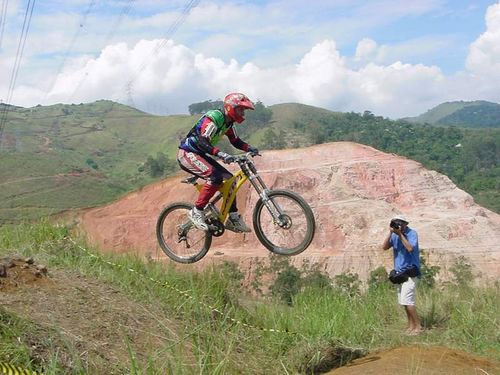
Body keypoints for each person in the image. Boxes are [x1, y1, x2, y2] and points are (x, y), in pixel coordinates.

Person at [177, 92, 259, 232]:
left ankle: (233, 218)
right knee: (215, 177)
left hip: (200, 154)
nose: (243, 113)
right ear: (231, 107)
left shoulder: (228, 123)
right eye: (241, 109)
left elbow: (235, 141)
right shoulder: (215, 117)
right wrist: (220, 154)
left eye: (244, 110)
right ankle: (196, 211)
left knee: (230, 180)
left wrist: (249, 148)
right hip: (187, 154)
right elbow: (203, 141)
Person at [382, 214, 423, 335]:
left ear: (405, 224)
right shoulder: (394, 235)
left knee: (408, 301)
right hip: (400, 273)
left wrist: (400, 235)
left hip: (410, 272)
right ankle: (411, 326)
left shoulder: (412, 234)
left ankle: (418, 327)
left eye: (399, 223)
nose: (398, 225)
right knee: (404, 302)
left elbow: (410, 248)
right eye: (395, 223)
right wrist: (391, 233)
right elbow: (384, 247)